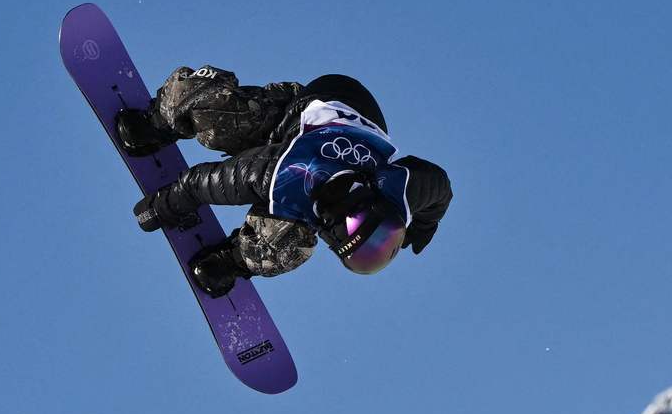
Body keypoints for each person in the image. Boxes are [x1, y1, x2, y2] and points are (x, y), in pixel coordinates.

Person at [119, 67, 453, 297]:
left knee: (288, 245)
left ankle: (234, 258)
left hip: (339, 136)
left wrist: (423, 222)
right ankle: (157, 122)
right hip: (298, 111)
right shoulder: (286, 174)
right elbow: (203, 183)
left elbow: (441, 188)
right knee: (210, 111)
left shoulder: (401, 189)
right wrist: (165, 205)